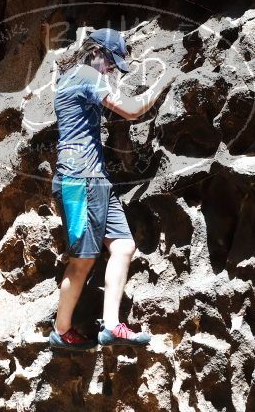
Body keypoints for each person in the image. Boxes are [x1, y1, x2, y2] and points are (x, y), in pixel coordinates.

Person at [48, 27, 179, 351]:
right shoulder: (86, 76)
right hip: (79, 180)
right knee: (83, 259)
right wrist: (165, 80)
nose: (111, 71)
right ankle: (61, 331)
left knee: (122, 247)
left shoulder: (72, 78)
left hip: (95, 180)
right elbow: (132, 110)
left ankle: (112, 327)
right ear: (97, 54)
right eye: (112, 64)